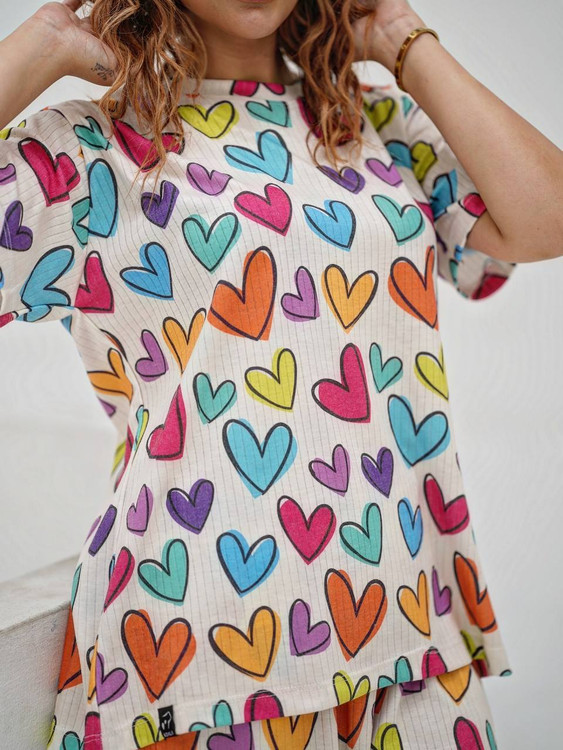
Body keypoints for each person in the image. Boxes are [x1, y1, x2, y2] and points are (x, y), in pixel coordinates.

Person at [1, 0, 562, 748]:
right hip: (192, 651)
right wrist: (42, 43)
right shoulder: (88, 151)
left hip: (411, 630)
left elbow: (546, 217)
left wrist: (401, 39)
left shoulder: (374, 124)